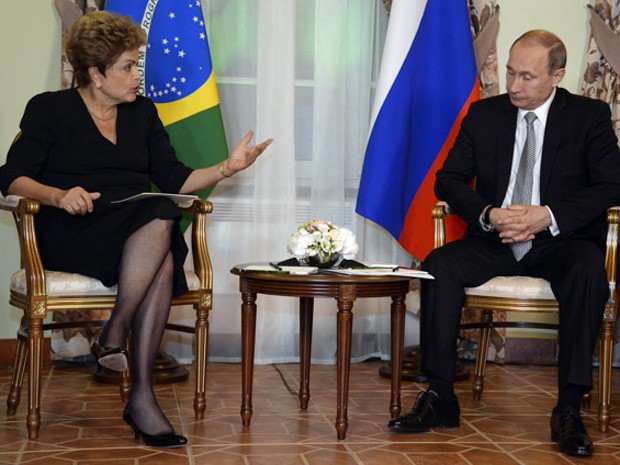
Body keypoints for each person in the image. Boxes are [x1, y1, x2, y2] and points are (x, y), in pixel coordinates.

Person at [0, 11, 272, 448]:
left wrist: (228, 166)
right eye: (127, 66)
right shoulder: (49, 108)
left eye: (136, 64)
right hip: (75, 228)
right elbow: (11, 177)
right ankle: (133, 379)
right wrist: (56, 195)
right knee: (161, 230)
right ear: (94, 73)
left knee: (161, 222)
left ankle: (120, 349)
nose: (137, 75)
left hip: (136, 229)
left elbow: (174, 178)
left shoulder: (143, 113)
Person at [387, 30, 620, 458]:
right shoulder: (484, 115)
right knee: (439, 264)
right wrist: (490, 214)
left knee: (588, 271)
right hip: (495, 238)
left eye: (527, 77)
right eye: (511, 73)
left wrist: (545, 216)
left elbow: (611, 185)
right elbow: (449, 179)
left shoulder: (589, 116)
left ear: (558, 75)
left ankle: (568, 407)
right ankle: (440, 396)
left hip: (558, 241)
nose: (514, 85)